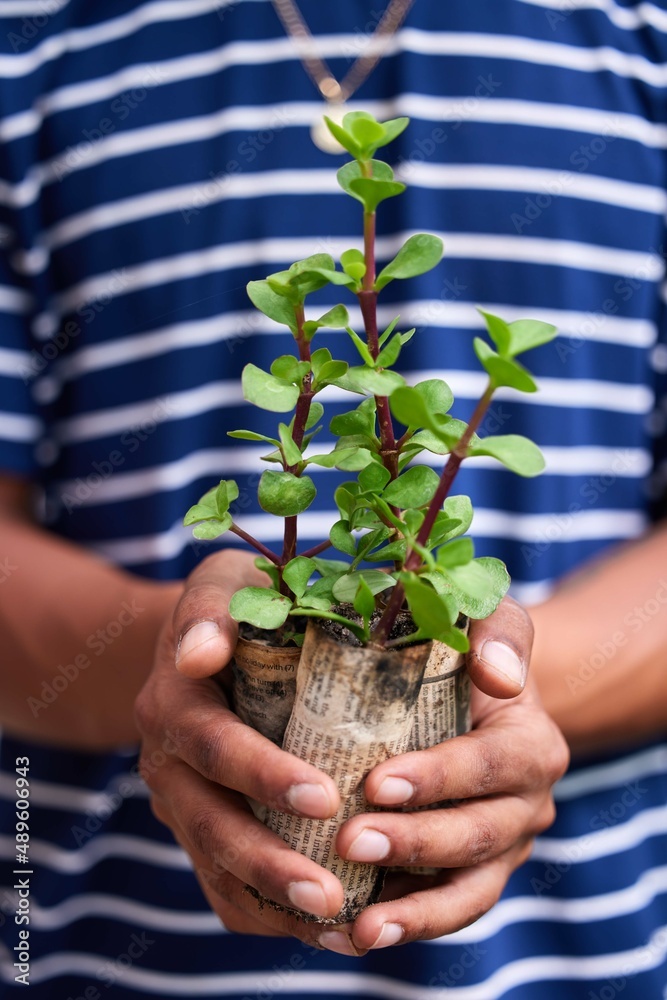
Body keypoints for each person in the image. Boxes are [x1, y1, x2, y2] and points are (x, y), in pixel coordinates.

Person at [0, 1, 665, 997]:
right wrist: (185, 664)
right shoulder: (30, 48)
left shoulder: (643, 36)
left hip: (585, 962)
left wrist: (488, 703)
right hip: (105, 960)